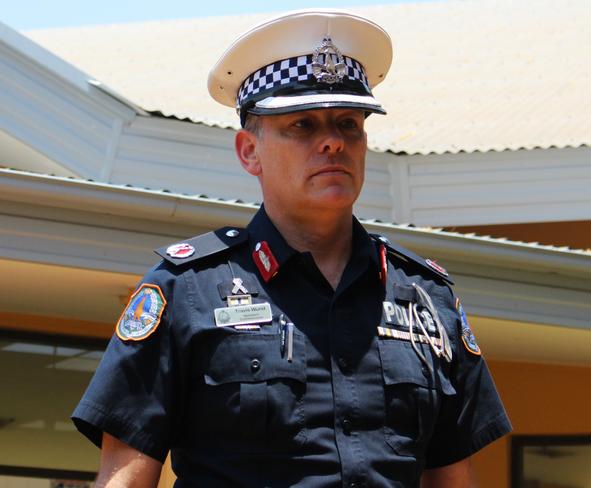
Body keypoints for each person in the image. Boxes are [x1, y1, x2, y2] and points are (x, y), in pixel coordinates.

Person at [72, 9, 512, 487]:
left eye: (348, 124)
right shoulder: (187, 292)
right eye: (302, 126)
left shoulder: (427, 299)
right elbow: (126, 478)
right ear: (249, 152)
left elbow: (453, 479)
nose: (332, 143)